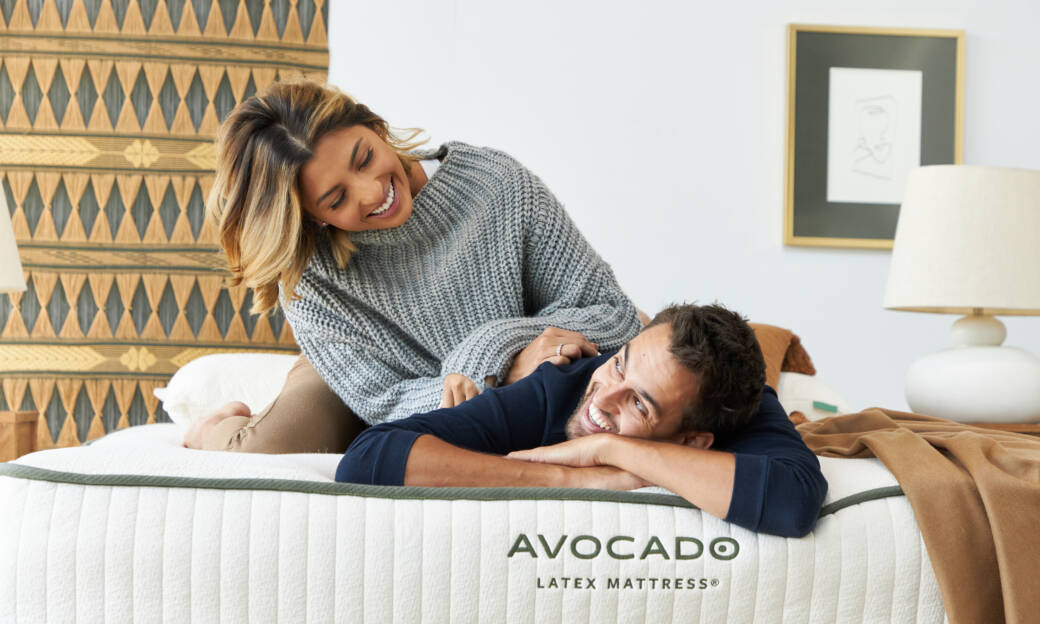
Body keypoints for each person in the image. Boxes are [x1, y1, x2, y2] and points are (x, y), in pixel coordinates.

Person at [186, 80, 643, 453]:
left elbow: (613, 314)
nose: (372, 192)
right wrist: (495, 375)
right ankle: (212, 428)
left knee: (645, 345)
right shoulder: (311, 279)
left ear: (376, 127)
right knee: (264, 447)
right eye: (337, 199)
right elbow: (384, 404)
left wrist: (494, 347)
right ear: (312, 216)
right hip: (376, 375)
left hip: (508, 360)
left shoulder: (495, 185)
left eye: (365, 158)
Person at [338, 304, 828, 538]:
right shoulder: (562, 384)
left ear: (693, 440)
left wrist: (606, 449)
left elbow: (793, 501)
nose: (602, 398)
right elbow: (368, 459)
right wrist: (565, 477)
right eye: (619, 364)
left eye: (640, 405)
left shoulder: (746, 409)